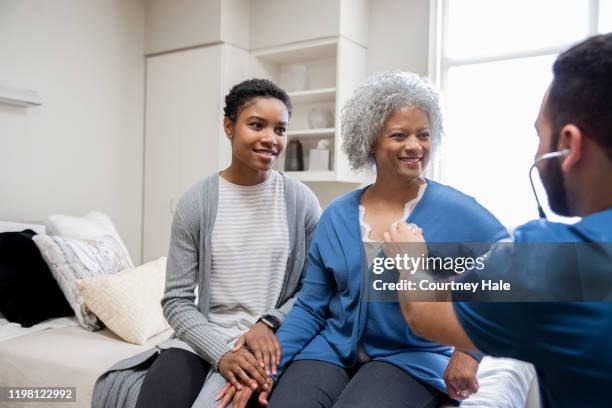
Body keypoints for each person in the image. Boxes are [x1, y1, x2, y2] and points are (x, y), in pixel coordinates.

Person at [253, 72, 509, 407]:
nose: (415, 146)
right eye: (399, 135)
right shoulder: (337, 215)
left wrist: (469, 350)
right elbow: (310, 306)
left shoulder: (459, 213)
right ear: (371, 140)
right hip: (332, 349)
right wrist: (268, 369)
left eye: (423, 135)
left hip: (412, 357)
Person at [395, 33, 612, 408]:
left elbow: (425, 313)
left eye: (539, 136)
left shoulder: (550, 260)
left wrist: (409, 261)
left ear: (570, 144)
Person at [92, 78, 320, 408]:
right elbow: (176, 300)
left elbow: (313, 287)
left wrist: (269, 322)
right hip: (201, 338)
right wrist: (221, 354)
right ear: (229, 126)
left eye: (280, 130)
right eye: (257, 125)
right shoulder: (196, 202)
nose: (270, 139)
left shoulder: (301, 201)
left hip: (268, 341)